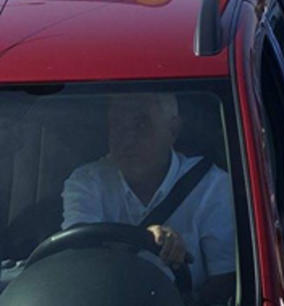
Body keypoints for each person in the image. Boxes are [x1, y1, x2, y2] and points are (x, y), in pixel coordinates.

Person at [62, 93, 235, 302]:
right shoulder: (87, 182)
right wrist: (145, 238)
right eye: (117, 125)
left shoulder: (213, 187)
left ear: (173, 130)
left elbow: (226, 285)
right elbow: (79, 258)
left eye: (141, 124)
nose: (127, 139)